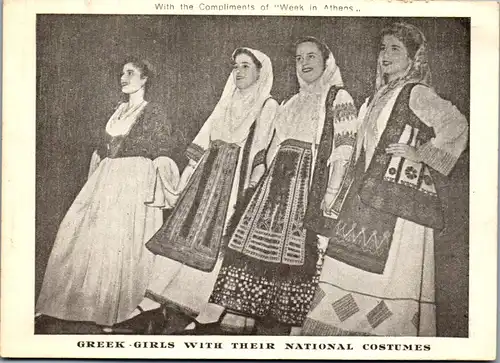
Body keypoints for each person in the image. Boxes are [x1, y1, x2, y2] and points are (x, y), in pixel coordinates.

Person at [301, 22, 469, 336]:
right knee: (344, 270)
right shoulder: (378, 95)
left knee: (393, 275)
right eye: (383, 48)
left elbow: (456, 124)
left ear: (413, 57)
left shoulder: (416, 91)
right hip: (367, 198)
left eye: (395, 49)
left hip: (398, 203)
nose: (385, 55)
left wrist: (422, 153)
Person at [115, 48, 278, 334]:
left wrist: (250, 192)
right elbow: (203, 138)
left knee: (218, 248)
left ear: (259, 72)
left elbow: (262, 150)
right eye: (235, 66)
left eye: (245, 67)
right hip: (205, 179)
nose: (238, 72)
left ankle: (206, 313)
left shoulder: (267, 105)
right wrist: (185, 178)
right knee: (180, 237)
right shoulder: (226, 101)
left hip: (234, 183)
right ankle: (151, 306)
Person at [208, 37, 358, 335]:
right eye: (299, 57)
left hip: (308, 182)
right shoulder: (292, 101)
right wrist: (258, 176)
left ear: (326, 61)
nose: (305, 63)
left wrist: (332, 189)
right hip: (276, 182)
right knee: (251, 241)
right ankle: (243, 312)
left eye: (312, 56)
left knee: (298, 250)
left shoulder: (338, 97)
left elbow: (344, 144)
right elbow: (274, 143)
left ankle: (288, 325)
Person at [35, 59, 183, 329]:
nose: (123, 78)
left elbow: (163, 146)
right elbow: (102, 146)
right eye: (121, 73)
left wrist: (161, 165)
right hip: (106, 178)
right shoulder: (117, 110)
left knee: (122, 241)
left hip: (135, 180)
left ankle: (122, 309)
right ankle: (67, 304)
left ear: (145, 78)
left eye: (130, 73)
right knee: (80, 234)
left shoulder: (154, 111)